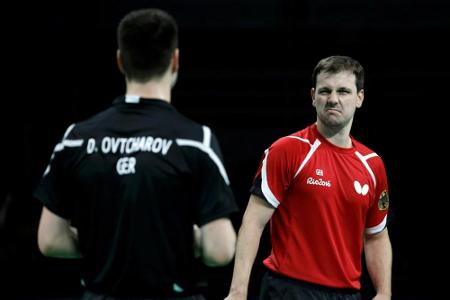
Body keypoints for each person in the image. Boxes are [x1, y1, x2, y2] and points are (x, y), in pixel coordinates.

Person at [34, 8, 238, 300]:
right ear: (175, 60)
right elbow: (220, 251)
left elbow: (50, 241)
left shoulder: (75, 139)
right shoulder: (197, 141)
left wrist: (105, 243)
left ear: (120, 60)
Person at [225, 55, 392, 300]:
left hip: (347, 294)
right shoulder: (287, 150)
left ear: (360, 98)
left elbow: (376, 235)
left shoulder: (373, 165)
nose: (333, 99)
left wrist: (384, 292)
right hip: (288, 290)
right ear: (313, 96)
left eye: (343, 91)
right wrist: (238, 291)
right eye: (325, 91)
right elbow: (253, 222)